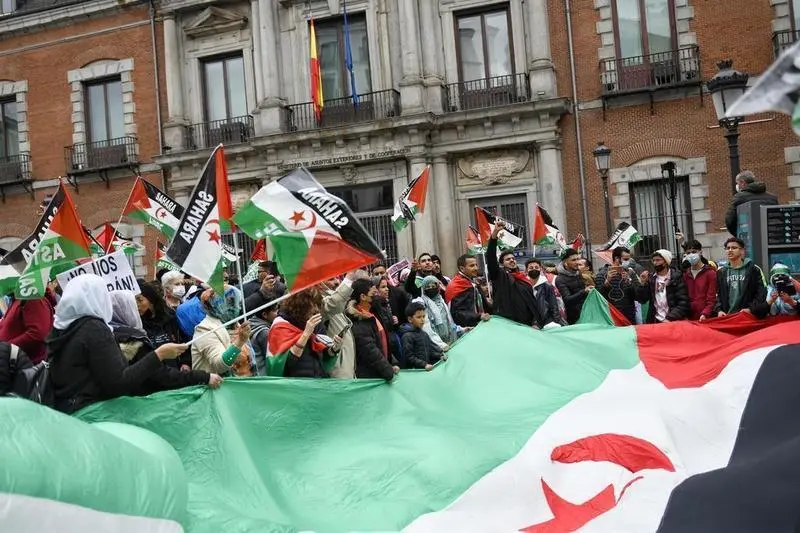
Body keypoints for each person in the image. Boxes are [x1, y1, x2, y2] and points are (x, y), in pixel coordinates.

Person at [47, 275, 187, 414]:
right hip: (92, 413)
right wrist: (159, 354)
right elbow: (119, 384)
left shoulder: (61, 326)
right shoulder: (94, 329)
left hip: (66, 412)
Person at [109, 291, 221, 393]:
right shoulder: (133, 340)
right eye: (133, 304)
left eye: (139, 301)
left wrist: (185, 362)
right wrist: (203, 377)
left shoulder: (108, 336)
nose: (137, 307)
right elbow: (160, 376)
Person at [269, 289, 339, 378]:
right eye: (312, 304)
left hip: (316, 382)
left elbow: (323, 358)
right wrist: (305, 335)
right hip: (294, 384)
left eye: (317, 304)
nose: (316, 309)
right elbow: (283, 365)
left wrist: (334, 349)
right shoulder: (281, 326)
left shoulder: (316, 324)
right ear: (300, 305)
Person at [486, 221, 544, 328]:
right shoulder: (500, 276)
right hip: (507, 325)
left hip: (526, 325)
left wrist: (535, 322)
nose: (512, 260)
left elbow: (532, 304)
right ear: (502, 263)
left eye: (513, 258)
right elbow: (491, 258)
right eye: (508, 259)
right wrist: (494, 237)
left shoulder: (524, 280)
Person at [191, 286, 252, 375]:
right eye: (232, 304)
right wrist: (240, 341)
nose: (238, 308)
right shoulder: (204, 329)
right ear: (218, 305)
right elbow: (220, 366)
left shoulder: (236, 325)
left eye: (239, 303)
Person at [347, 279, 399, 381]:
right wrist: (387, 370)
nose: (376, 296)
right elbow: (370, 351)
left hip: (380, 372)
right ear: (363, 297)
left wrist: (391, 362)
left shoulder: (373, 314)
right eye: (373, 293)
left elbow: (382, 341)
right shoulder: (359, 321)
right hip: (371, 376)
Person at [137, 282, 191, 370]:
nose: (137, 305)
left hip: (176, 371)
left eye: (140, 300)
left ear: (151, 300)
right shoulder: (137, 325)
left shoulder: (170, 318)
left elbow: (183, 341)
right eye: (134, 301)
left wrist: (185, 362)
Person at [715, 237, 769, 318]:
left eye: (734, 248)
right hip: (727, 316)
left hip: (746, 316)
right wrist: (719, 310)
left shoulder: (753, 269)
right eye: (727, 248)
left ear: (742, 251)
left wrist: (751, 309)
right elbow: (716, 294)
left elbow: (761, 293)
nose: (730, 250)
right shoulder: (721, 272)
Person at [0, 289, 56, 364]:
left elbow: (37, 334)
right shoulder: (17, 299)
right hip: (19, 362)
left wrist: (5, 348)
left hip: (32, 364)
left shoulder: (31, 297)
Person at [636, 250, 690, 324]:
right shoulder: (651, 278)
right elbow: (642, 300)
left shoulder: (676, 277)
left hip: (672, 321)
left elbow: (683, 303)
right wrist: (643, 283)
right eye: (653, 260)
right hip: (655, 320)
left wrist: (669, 318)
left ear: (665, 262)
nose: (655, 263)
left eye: (658, 260)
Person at [415, 275, 464, 350]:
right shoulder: (422, 305)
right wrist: (442, 345)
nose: (431, 288)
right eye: (428, 287)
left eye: (433, 286)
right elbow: (427, 330)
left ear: (437, 287)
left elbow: (449, 322)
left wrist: (461, 330)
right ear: (424, 289)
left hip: (451, 343)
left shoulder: (442, 302)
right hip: (436, 348)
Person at [725, 170, 779, 236]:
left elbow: (730, 220)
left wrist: (738, 235)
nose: (737, 186)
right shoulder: (772, 198)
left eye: (738, 183)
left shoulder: (739, 197)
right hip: (771, 235)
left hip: (750, 235)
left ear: (742, 182)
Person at [596, 247, 640, 325]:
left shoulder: (630, 273)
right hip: (611, 316)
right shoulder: (602, 274)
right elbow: (598, 297)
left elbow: (638, 296)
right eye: (625, 259)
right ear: (617, 258)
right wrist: (607, 282)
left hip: (628, 316)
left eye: (629, 259)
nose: (628, 262)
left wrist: (629, 282)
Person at [445, 254, 491, 328]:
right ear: (462, 268)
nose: (476, 268)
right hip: (467, 328)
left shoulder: (472, 281)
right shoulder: (456, 286)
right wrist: (478, 316)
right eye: (472, 266)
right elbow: (458, 314)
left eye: (476, 265)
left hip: (481, 324)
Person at [245, 289, 281, 376]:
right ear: (264, 314)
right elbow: (272, 360)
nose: (278, 313)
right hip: (263, 377)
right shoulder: (264, 333)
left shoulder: (251, 322)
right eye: (275, 310)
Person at [400, 302, 445, 371]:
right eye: (419, 317)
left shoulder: (424, 334)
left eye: (423, 316)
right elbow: (409, 357)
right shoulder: (407, 336)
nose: (422, 320)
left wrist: (439, 356)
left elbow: (430, 351)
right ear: (410, 319)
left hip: (426, 369)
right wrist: (424, 365)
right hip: (416, 372)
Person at [681, 239, 718, 321]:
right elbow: (684, 298)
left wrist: (705, 313)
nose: (691, 255)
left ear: (700, 252)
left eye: (694, 252)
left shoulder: (710, 273)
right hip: (689, 318)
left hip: (706, 318)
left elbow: (712, 298)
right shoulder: (685, 275)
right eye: (688, 253)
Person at [555, 248, 591, 325]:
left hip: (587, 313)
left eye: (578, 259)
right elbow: (567, 300)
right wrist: (584, 291)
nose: (577, 262)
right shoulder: (560, 279)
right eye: (573, 260)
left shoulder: (579, 274)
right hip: (575, 320)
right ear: (565, 263)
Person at [526, 258, 565, 327]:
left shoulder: (547, 286)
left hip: (546, 322)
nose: (534, 269)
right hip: (528, 322)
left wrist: (557, 322)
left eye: (536, 267)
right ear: (526, 270)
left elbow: (554, 307)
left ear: (540, 269)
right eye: (531, 268)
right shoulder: (524, 285)